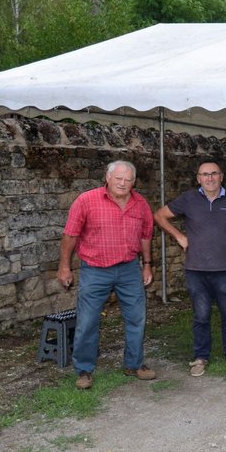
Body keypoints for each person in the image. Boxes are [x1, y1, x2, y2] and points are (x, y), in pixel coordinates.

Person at [154, 161, 226, 376]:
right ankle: (200, 357)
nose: (210, 178)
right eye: (205, 175)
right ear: (198, 178)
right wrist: (179, 236)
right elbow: (159, 215)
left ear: (221, 176)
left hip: (225, 268)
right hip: (196, 269)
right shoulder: (188, 199)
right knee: (201, 315)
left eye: (214, 174)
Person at [58, 160, 157, 390]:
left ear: (134, 181)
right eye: (118, 178)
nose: (123, 183)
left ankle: (134, 364)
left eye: (128, 179)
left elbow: (145, 236)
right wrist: (64, 266)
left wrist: (147, 264)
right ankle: (84, 370)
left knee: (137, 318)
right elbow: (70, 235)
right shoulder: (86, 200)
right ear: (108, 177)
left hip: (129, 269)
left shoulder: (140, 204)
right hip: (95, 269)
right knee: (87, 321)